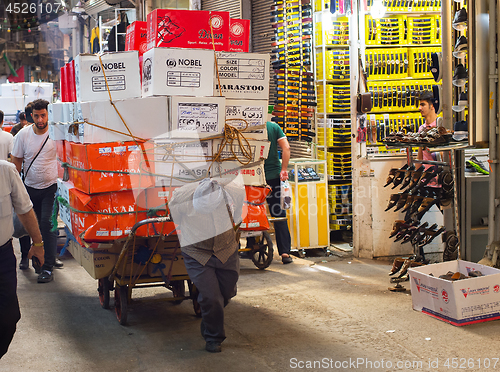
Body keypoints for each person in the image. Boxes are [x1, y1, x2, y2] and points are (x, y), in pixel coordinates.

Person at [169, 178, 245, 353]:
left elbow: (238, 213)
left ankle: (209, 315)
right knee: (212, 297)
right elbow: (175, 218)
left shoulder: (233, 190)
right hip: (197, 252)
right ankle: (213, 337)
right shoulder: (182, 196)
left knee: (227, 292)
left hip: (226, 248)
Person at [11, 99, 61, 283]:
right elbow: (16, 162)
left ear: (48, 114)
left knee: (47, 224)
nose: (40, 119)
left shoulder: (57, 133)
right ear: (31, 115)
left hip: (51, 188)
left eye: (43, 115)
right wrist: (14, 189)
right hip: (29, 188)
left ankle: (48, 267)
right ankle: (26, 256)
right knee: (28, 225)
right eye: (37, 115)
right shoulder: (23, 135)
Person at [0, 160, 45, 359]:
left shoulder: (6, 171)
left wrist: (38, 244)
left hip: (2, 257)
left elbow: (24, 210)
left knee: (9, 318)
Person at [263, 121, 293, 264]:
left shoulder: (244, 126)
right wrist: (284, 169)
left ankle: (251, 246)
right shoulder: (273, 127)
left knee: (250, 213)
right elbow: (286, 147)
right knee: (279, 214)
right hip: (274, 177)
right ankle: (285, 253)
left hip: (252, 178)